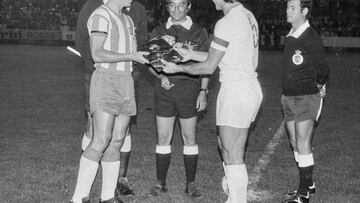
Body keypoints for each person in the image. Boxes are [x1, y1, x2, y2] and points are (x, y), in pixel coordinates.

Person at [160, 0, 263, 202]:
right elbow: (223, 54)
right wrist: (190, 54)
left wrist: (178, 68)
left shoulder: (226, 22)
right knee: (226, 146)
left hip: (236, 89)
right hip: (248, 87)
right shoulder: (246, 15)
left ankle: (237, 199)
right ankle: (234, 195)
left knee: (232, 153)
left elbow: (208, 67)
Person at [70, 0, 148, 202]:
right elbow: (97, 53)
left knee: (117, 141)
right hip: (106, 79)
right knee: (101, 139)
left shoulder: (129, 20)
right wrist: (131, 55)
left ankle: (107, 197)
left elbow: (137, 54)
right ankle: (79, 198)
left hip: (127, 81)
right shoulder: (100, 15)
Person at [146, 0, 210, 199]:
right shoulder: (158, 30)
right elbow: (150, 64)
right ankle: (160, 183)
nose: (176, 9)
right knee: (163, 138)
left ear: (189, 7)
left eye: (181, 5)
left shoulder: (199, 31)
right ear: (167, 7)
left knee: (189, 138)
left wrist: (203, 90)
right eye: (172, 5)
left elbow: (208, 63)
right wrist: (161, 76)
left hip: (189, 89)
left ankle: (190, 184)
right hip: (164, 90)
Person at [281, 0, 329, 203]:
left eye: (293, 8)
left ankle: (304, 194)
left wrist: (319, 86)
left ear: (304, 11)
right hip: (288, 97)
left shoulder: (310, 37)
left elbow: (323, 69)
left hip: (306, 98)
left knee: (303, 143)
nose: (288, 11)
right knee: (294, 142)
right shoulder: (292, 35)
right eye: (287, 7)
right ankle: (307, 184)